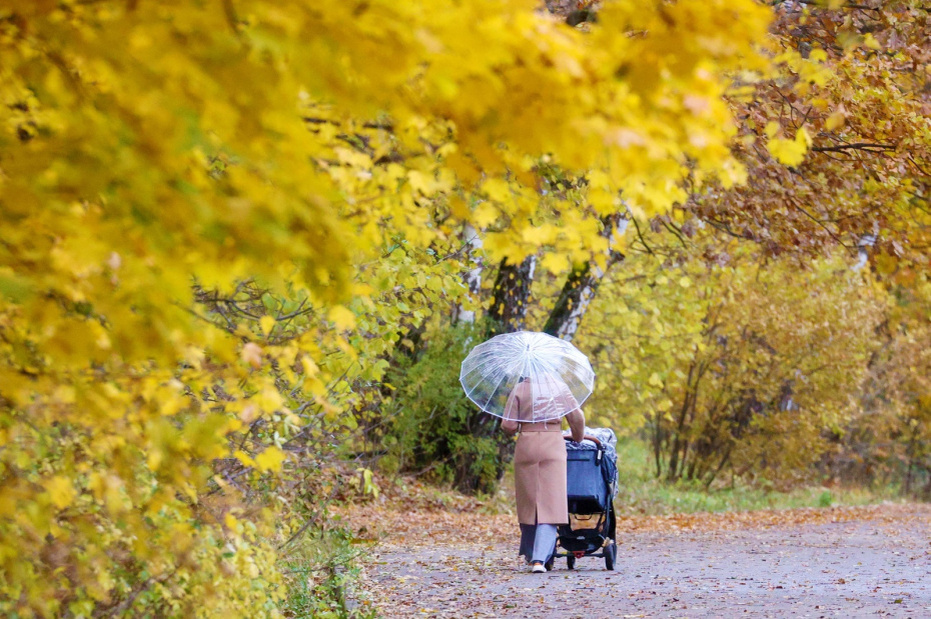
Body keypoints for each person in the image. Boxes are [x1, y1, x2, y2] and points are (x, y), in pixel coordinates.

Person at [501, 375, 585, 573]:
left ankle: (531, 556)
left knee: (529, 502)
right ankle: (540, 559)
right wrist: (578, 437)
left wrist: (521, 427)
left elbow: (508, 426)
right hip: (552, 444)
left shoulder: (520, 389)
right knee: (550, 503)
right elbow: (577, 418)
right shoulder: (559, 387)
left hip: (527, 444)